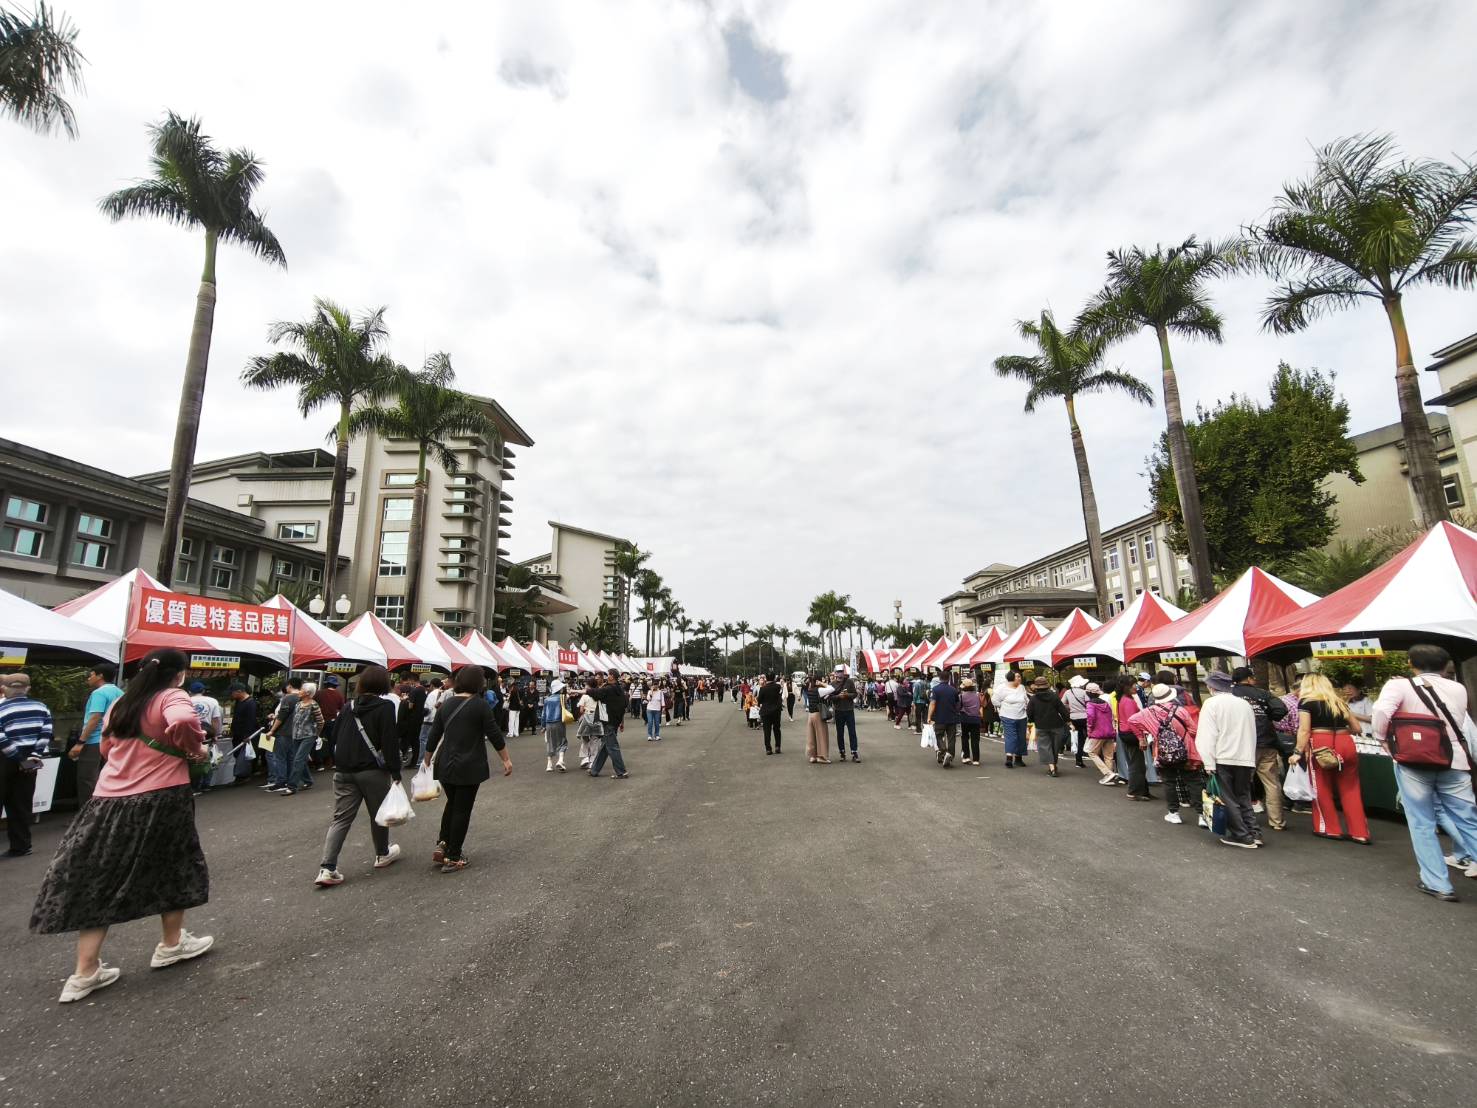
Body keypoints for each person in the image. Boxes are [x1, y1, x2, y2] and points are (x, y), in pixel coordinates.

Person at [30, 650, 213, 1004]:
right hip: (161, 797)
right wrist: (195, 750)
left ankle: (85, 972)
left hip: (107, 800)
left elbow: (107, 749)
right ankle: (171, 944)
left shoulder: (121, 704)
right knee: (174, 866)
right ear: (179, 674)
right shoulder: (173, 696)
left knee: (99, 876)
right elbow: (184, 722)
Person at [1372, 643, 1477, 901]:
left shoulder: (1398, 685)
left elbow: (1381, 713)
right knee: (1468, 819)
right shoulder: (1458, 688)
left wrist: (1383, 740)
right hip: (1454, 760)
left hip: (1413, 760)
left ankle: (1438, 883)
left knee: (1422, 823)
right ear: (1445, 666)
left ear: (1410, 663)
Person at [313, 666, 404, 888]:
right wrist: (395, 771)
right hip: (372, 770)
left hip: (343, 771)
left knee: (341, 818)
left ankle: (328, 867)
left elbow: (335, 736)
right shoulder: (385, 707)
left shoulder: (348, 706)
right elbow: (390, 741)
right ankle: (382, 853)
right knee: (379, 815)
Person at [423, 666, 512, 873]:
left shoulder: (446, 705)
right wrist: (506, 760)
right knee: (462, 809)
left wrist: (427, 760)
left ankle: (443, 843)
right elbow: (495, 734)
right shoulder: (480, 706)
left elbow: (434, 735)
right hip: (469, 765)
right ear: (478, 683)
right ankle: (454, 856)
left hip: (444, 763)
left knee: (452, 804)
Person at [1289, 674, 1369, 845]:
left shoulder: (1306, 702)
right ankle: (1360, 832)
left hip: (1320, 743)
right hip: (1345, 742)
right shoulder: (1338, 702)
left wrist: (1297, 752)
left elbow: (1304, 730)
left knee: (1321, 787)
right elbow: (1356, 727)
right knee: (1351, 789)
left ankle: (1330, 828)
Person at [1196, 670, 1260, 848]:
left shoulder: (1211, 704)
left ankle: (1242, 836)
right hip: (1245, 757)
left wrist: (1208, 762)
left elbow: (1207, 735)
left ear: (1211, 687)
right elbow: (1252, 732)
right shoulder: (1244, 704)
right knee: (1244, 796)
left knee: (1227, 798)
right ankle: (1254, 832)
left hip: (1223, 756)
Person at [1129, 684, 1202, 824]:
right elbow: (1193, 730)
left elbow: (1132, 720)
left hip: (1163, 751)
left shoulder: (1148, 712)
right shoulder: (1180, 710)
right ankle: (1202, 815)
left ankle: (1173, 813)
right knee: (1193, 782)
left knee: (1169, 782)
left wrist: (1143, 736)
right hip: (1186, 750)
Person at [1230, 666, 1289, 830]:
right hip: (1267, 742)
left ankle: (1243, 819)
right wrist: (1267, 716)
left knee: (1241, 783)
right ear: (1249, 679)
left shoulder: (1231, 695)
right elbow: (1281, 709)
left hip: (1243, 745)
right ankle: (1277, 822)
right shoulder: (1262, 693)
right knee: (1272, 783)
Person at [1, 673, 52, 856]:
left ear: (4, 689)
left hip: (5, 760)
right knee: (22, 804)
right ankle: (21, 846)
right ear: (27, 689)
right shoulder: (42, 707)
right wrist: (33, 756)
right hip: (31, 761)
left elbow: (1, 739)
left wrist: (17, 757)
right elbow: (46, 734)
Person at [68, 663, 121, 806]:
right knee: (106, 778)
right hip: (112, 740)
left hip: (94, 741)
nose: (89, 678)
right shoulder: (119, 692)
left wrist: (80, 742)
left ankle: (87, 815)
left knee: (87, 778)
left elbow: (95, 718)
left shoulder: (99, 693)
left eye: (91, 675)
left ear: (100, 676)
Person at [279, 682, 324, 797]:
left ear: (307, 693)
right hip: (296, 735)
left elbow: (321, 721)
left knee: (298, 760)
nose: (299, 691)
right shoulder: (298, 704)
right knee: (300, 759)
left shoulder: (314, 705)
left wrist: (316, 735)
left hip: (308, 736)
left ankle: (291, 786)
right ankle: (308, 781)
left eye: (301, 690)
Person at [1113, 675, 1152, 801]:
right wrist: (1141, 737)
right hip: (1131, 734)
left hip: (1126, 733)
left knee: (1137, 763)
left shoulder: (1123, 699)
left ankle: (1143, 791)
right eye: (1133, 685)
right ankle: (1134, 791)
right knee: (1137, 764)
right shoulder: (1128, 701)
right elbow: (1133, 721)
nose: (1136, 686)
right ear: (1126, 687)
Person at [262, 677, 301, 792]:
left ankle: (280, 782)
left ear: (289, 686)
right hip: (296, 732)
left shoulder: (287, 698)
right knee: (291, 757)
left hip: (283, 731)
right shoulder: (303, 698)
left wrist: (272, 730)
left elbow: (281, 717)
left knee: (280, 758)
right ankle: (290, 780)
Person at [1027, 676, 1070, 777]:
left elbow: (1029, 712)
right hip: (1057, 725)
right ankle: (1054, 765)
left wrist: (1033, 720)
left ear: (1036, 687)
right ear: (1047, 686)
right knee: (1055, 747)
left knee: (1045, 747)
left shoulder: (1033, 699)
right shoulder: (1054, 696)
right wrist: (1067, 721)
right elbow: (1062, 710)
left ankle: (1052, 768)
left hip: (1041, 726)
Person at [187, 681, 224, 795]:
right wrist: (216, 734)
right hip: (207, 733)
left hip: (191, 733)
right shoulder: (213, 701)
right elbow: (216, 720)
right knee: (207, 758)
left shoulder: (186, 701)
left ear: (189, 692)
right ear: (203, 691)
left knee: (193, 759)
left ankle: (194, 787)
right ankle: (206, 785)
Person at [591, 672, 631, 779]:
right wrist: (621, 722)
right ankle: (594, 770)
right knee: (606, 746)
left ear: (612, 676)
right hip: (615, 721)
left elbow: (596, 694)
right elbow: (624, 706)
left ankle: (621, 772)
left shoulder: (609, 689)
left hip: (609, 721)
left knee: (612, 747)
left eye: (608, 674)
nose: (606, 677)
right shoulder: (620, 689)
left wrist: (583, 690)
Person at [1083, 682, 1121, 785]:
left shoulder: (1090, 704)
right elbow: (1112, 717)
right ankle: (1110, 777)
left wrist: (1089, 730)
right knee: (1108, 756)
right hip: (1109, 732)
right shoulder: (1105, 703)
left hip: (1097, 733)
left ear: (1088, 693)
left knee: (1091, 752)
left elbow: (1091, 718)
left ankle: (1108, 773)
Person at [995, 670, 1030, 768]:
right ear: (1011, 678)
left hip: (1022, 716)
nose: (1019, 678)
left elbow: (1026, 699)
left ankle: (1019, 758)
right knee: (1011, 736)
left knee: (1021, 737)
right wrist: (1002, 706)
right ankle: (1009, 758)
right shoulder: (1002, 688)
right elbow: (995, 700)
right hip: (1007, 715)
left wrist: (1027, 704)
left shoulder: (1021, 687)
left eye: (1019, 676)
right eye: (1017, 677)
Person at [929, 671, 962, 768]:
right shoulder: (954, 690)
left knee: (939, 736)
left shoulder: (935, 689)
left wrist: (929, 717)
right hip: (952, 717)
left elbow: (932, 703)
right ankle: (950, 755)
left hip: (939, 717)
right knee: (951, 738)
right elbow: (957, 704)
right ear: (948, 679)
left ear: (939, 678)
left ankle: (943, 750)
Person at [227, 683, 258, 785]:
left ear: (239, 691)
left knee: (243, 755)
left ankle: (243, 776)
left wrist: (247, 735)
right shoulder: (238, 702)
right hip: (237, 733)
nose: (231, 695)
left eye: (232, 693)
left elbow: (251, 720)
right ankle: (240, 775)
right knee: (238, 755)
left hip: (245, 734)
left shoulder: (251, 703)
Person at [315, 675, 345, 770]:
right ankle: (334, 763)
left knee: (316, 741)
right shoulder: (339, 695)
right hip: (332, 722)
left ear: (326, 684)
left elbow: (313, 705)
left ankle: (319, 764)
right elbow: (341, 709)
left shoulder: (319, 693)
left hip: (319, 721)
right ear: (335, 685)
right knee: (332, 742)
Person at [831, 665, 860, 762]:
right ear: (835, 673)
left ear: (844, 672)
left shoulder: (849, 682)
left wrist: (848, 695)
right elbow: (830, 698)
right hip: (838, 711)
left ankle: (854, 752)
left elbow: (855, 694)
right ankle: (842, 752)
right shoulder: (832, 684)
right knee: (840, 733)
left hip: (849, 710)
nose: (840, 673)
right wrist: (838, 696)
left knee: (852, 732)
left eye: (841, 671)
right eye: (838, 671)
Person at [1062, 675, 1091, 768]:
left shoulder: (1067, 692)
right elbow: (1089, 704)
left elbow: (1062, 703)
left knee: (1079, 737)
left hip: (1073, 718)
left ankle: (1078, 760)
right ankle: (1086, 753)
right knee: (1087, 735)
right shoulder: (1084, 692)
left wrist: (1071, 707)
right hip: (1085, 717)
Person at [541, 679, 569, 772]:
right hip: (559, 722)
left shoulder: (547, 699)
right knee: (562, 742)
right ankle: (560, 760)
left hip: (548, 723)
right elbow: (567, 709)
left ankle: (549, 764)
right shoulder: (562, 698)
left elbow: (543, 714)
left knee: (550, 742)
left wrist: (543, 726)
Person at [805, 674, 831, 764]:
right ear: (817, 681)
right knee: (821, 736)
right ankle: (822, 756)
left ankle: (813, 756)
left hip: (810, 715)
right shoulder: (819, 690)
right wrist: (822, 683)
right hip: (818, 714)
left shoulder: (809, 690)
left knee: (811, 736)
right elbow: (831, 689)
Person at [756, 672, 784, 755]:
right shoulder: (778, 687)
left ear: (766, 679)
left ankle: (768, 749)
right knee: (777, 729)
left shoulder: (763, 688)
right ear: (774, 678)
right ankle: (777, 747)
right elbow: (780, 697)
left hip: (766, 712)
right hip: (776, 711)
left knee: (767, 730)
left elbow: (759, 700)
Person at [958, 678, 983, 765]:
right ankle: (976, 759)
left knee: (965, 737)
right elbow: (981, 705)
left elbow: (958, 707)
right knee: (975, 739)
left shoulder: (961, 696)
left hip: (965, 718)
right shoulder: (977, 695)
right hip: (976, 718)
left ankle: (966, 757)